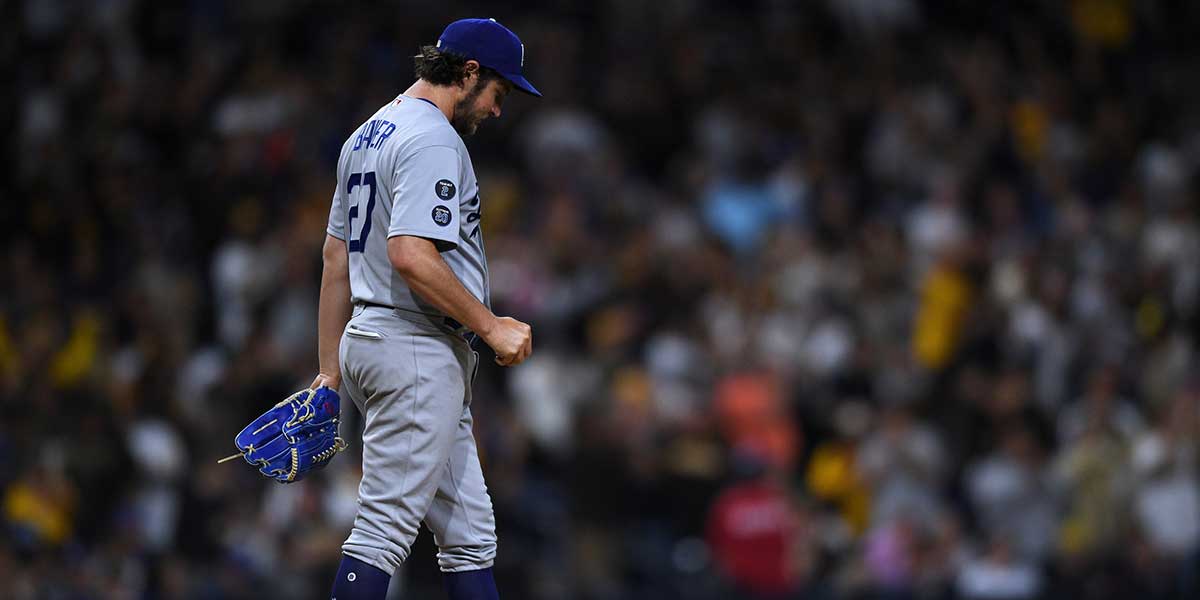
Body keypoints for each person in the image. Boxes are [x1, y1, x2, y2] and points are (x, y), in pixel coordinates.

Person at [312, 18, 540, 600]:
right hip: (413, 348)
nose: (497, 109)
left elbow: (336, 258)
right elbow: (410, 255)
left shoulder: (367, 132)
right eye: (498, 91)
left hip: (378, 341)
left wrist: (330, 375)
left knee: (470, 536)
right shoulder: (435, 137)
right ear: (468, 72)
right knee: (382, 533)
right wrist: (490, 326)